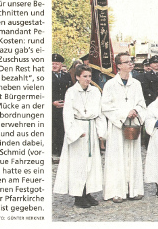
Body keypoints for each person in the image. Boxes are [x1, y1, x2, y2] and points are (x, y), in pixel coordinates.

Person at [53, 65, 107, 208]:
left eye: (89, 76)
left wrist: (101, 132)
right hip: (78, 129)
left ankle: (88, 192)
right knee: (78, 165)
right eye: (85, 76)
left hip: (91, 128)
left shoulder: (95, 91)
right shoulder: (71, 92)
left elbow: (100, 113)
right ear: (77, 77)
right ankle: (78, 195)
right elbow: (67, 114)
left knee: (90, 163)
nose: (88, 79)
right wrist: (75, 132)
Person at [101, 52, 146, 203]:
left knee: (133, 157)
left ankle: (134, 190)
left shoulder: (136, 84)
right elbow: (106, 107)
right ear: (119, 66)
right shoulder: (110, 85)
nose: (131, 64)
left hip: (132, 126)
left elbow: (141, 103)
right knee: (116, 159)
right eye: (127, 62)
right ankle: (116, 191)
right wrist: (124, 114)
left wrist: (136, 111)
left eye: (131, 61)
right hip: (117, 127)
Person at [52, 53, 72, 163]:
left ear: (61, 64)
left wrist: (67, 101)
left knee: (62, 129)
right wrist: (52, 102)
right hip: (52, 108)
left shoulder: (66, 76)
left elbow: (71, 89)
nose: (54, 66)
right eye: (52, 64)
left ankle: (60, 151)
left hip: (64, 107)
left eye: (56, 63)